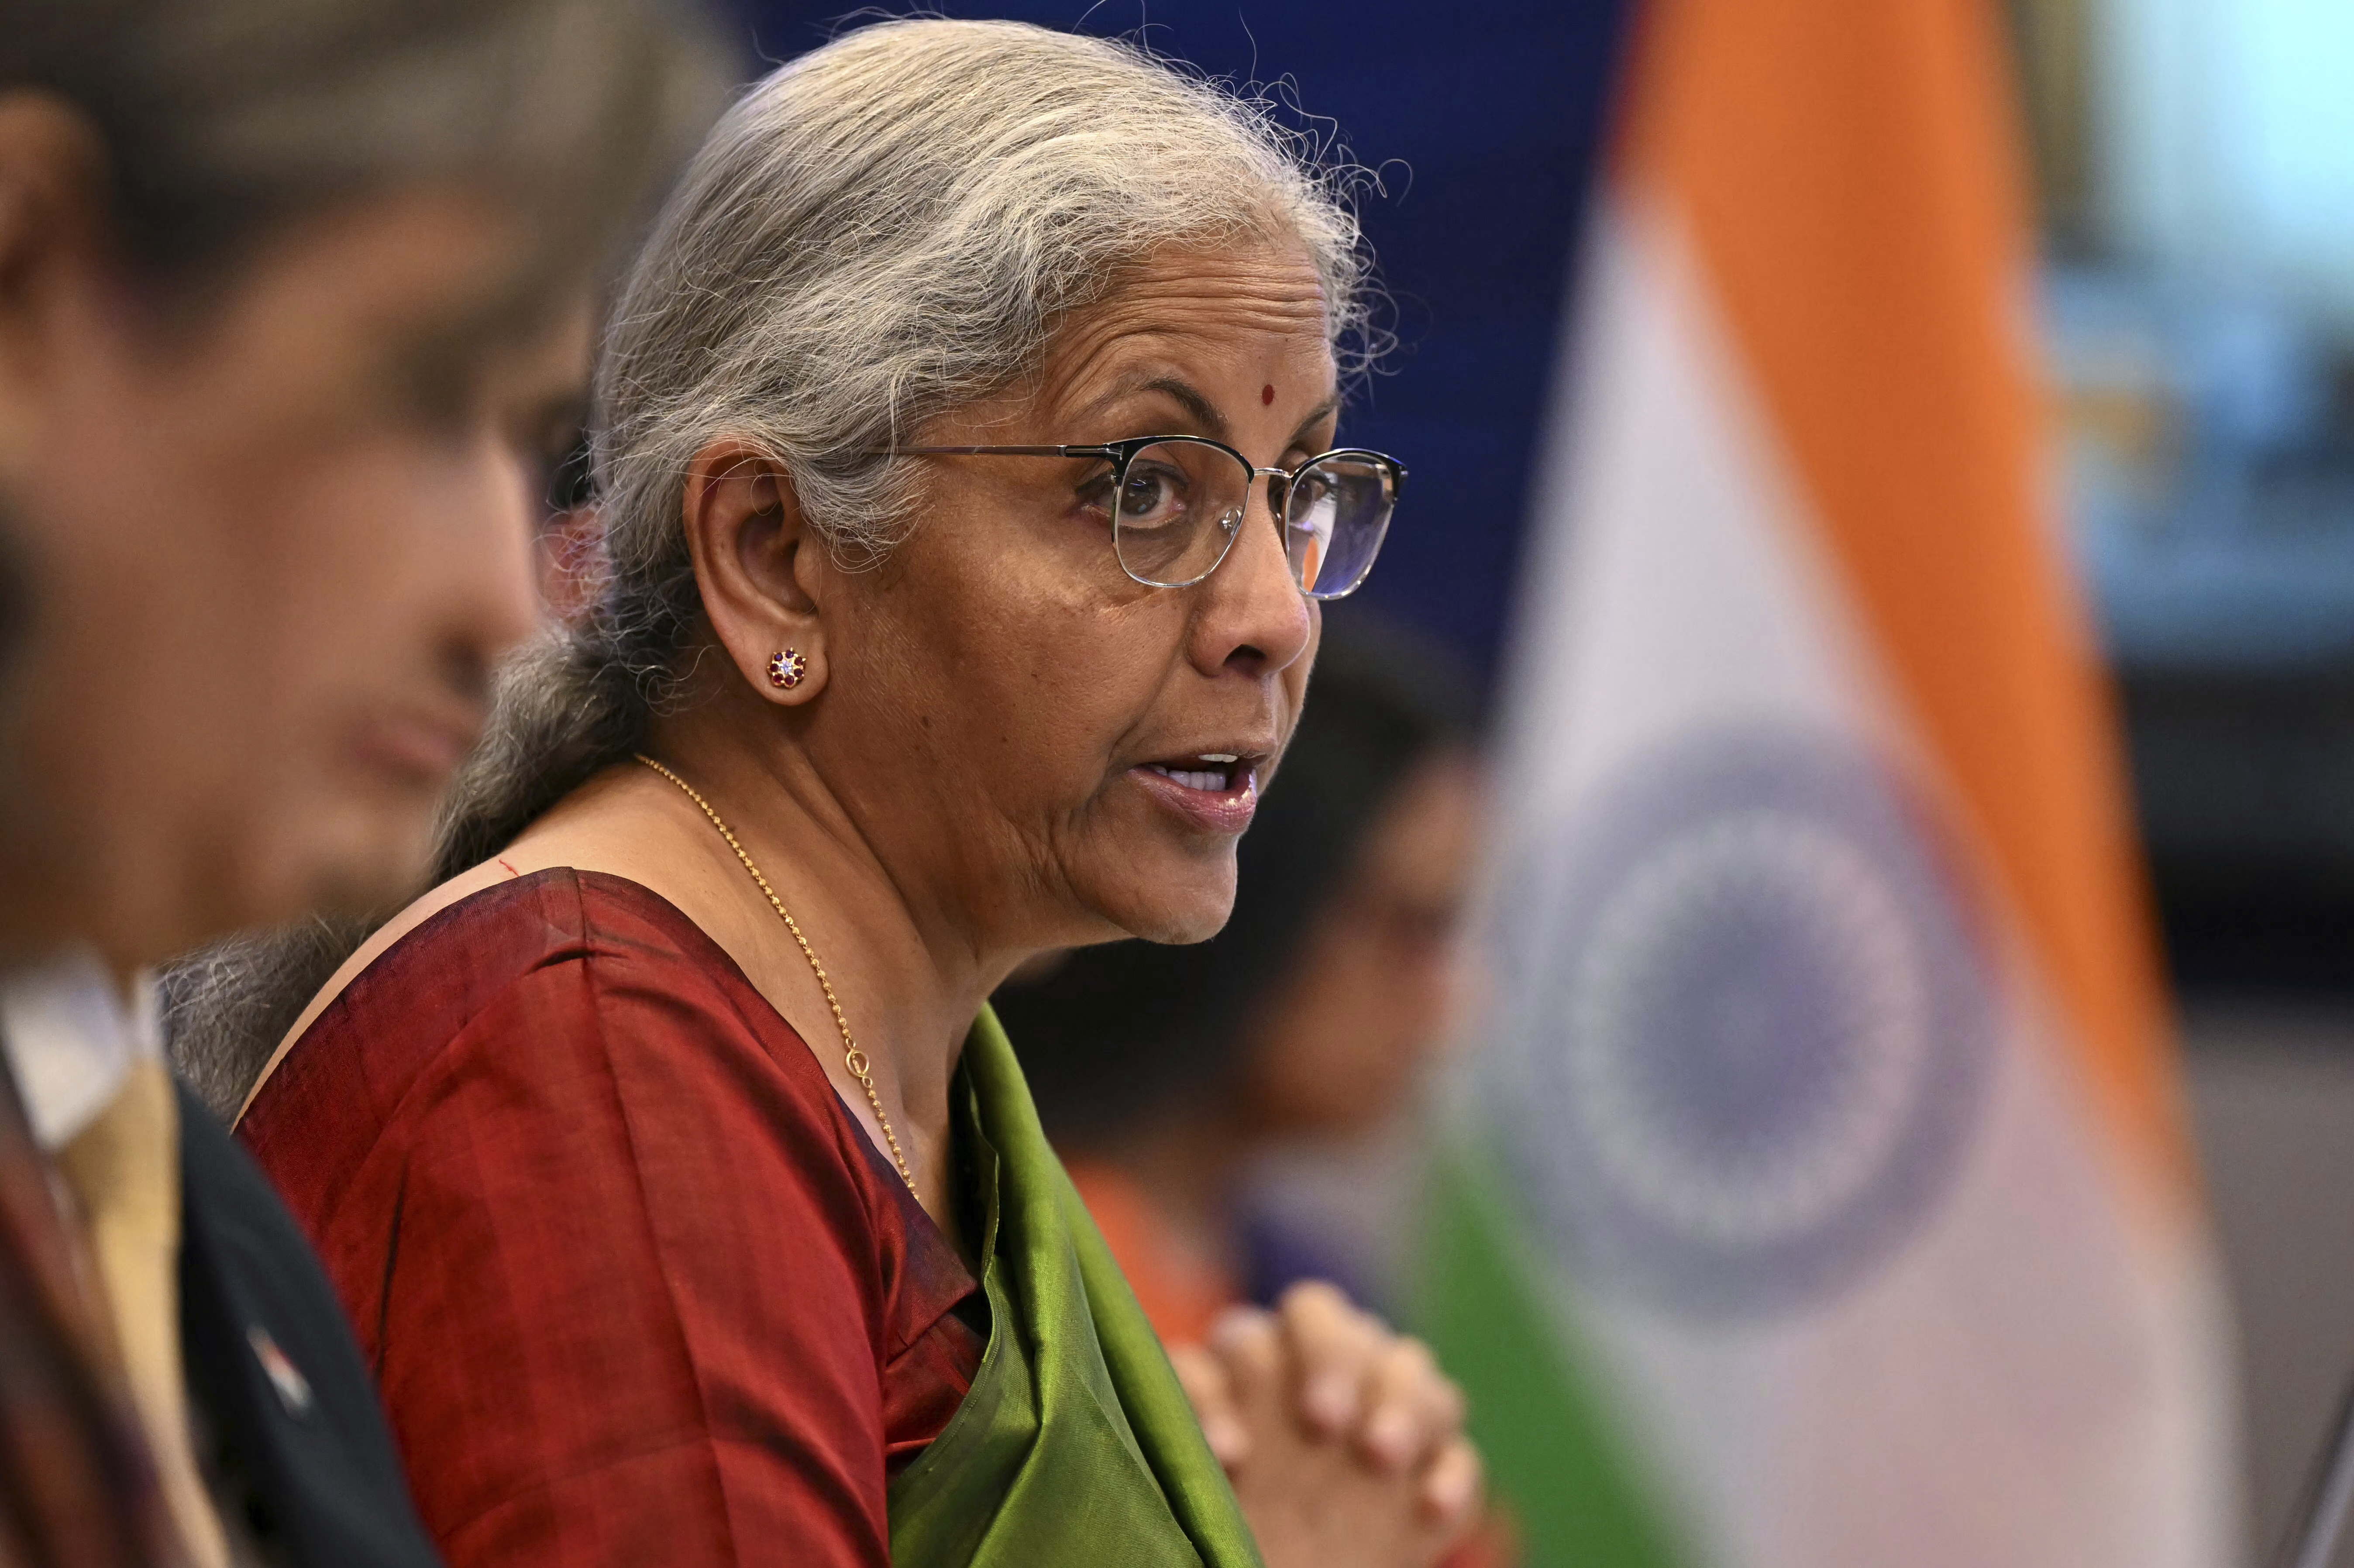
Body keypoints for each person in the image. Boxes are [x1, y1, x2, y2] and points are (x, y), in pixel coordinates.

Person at [203, 20, 1481, 1568]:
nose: (1275, 616)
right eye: (1142, 486)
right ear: (774, 556)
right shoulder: (600, 1070)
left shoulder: (881, 1059)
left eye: (1297, 492)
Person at [0, 1, 723, 1561]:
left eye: (532, 445)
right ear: (22, 289)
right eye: (413, 399)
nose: (499, 601)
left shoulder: (197, 1221)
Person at [994, 624, 1484, 1343]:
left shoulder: (1321, 1318)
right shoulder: (982, 1264)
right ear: (1256, 882)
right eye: (1408, 928)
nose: (1455, 1006)